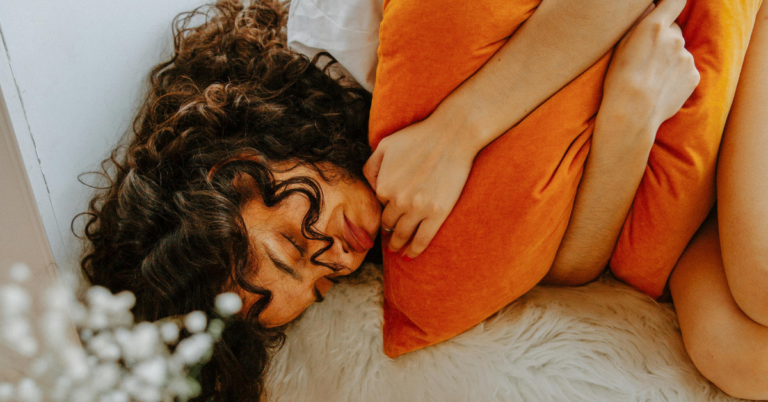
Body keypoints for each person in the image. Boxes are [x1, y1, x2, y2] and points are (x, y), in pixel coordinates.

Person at [76, 0, 766, 401]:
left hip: (730, 42)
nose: (337, 261)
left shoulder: (351, 28)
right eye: (318, 286)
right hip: (681, 153)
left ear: (234, 172)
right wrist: (629, 121)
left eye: (294, 246)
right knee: (733, 351)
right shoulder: (367, 189)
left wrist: (456, 130)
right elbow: (570, 271)